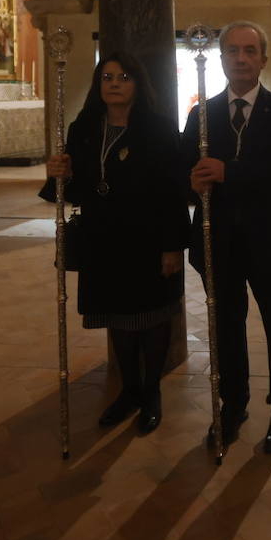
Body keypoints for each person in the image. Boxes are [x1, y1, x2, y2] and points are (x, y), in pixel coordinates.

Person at [43, 52, 191, 435]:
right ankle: (129, 390)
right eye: (107, 76)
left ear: (137, 84)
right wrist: (59, 174)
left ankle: (152, 393)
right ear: (98, 84)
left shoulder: (158, 129)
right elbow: (74, 190)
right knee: (118, 318)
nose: (114, 83)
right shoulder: (84, 128)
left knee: (152, 316)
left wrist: (173, 244)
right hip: (103, 238)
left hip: (148, 236)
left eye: (123, 76)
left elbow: (174, 191)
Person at [182, 20, 271, 454]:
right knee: (226, 327)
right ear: (221, 59)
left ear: (263, 60)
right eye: (232, 50)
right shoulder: (201, 114)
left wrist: (228, 172)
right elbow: (184, 171)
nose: (240, 58)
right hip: (219, 243)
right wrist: (192, 182)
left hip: (269, 239)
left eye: (249, 51)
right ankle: (232, 405)